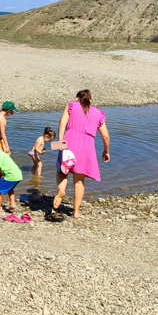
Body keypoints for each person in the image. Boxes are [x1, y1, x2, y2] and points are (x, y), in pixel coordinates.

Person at [52, 89, 110, 219]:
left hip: (70, 140)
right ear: (91, 100)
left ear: (77, 98)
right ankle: (76, 212)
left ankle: (61, 191)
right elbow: (105, 136)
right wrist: (106, 151)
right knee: (79, 181)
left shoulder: (71, 105)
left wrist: (61, 141)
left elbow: (62, 123)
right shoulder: (98, 114)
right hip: (87, 146)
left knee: (62, 171)